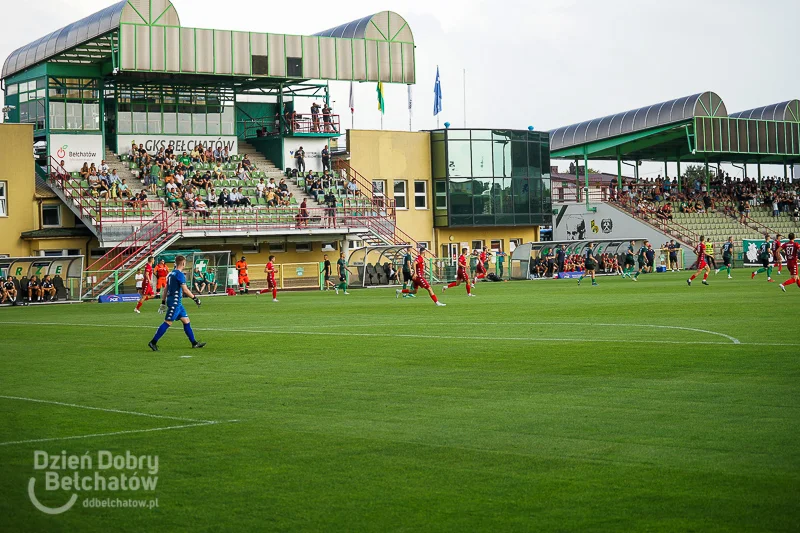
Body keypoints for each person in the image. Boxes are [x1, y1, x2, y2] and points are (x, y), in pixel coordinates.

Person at [148, 255, 204, 351]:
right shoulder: (179, 274)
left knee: (186, 321)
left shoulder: (171, 273)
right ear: (183, 263)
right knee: (168, 322)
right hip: (175, 303)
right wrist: (195, 298)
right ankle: (153, 342)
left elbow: (166, 289)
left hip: (177, 302)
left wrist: (163, 302)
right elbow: (185, 290)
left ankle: (194, 343)